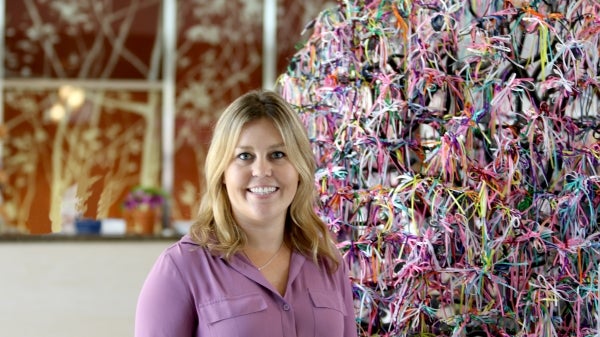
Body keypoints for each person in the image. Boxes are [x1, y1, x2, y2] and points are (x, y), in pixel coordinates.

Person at [135, 89, 358, 337]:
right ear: (222, 173)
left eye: (278, 155)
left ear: (300, 169)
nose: (261, 170)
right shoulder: (182, 268)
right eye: (244, 156)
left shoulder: (327, 262)